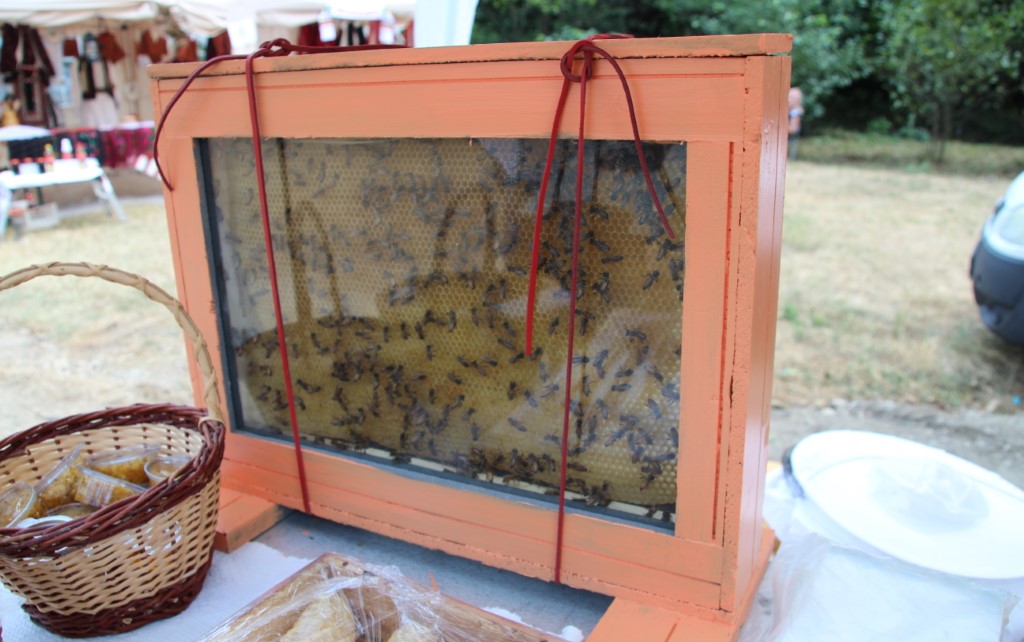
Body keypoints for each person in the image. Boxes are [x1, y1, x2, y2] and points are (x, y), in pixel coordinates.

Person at [788, 87, 804, 161]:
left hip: (790, 138)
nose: (788, 99)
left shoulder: (794, 113)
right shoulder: (789, 111)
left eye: (791, 97)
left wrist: (780, 126)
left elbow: (793, 129)